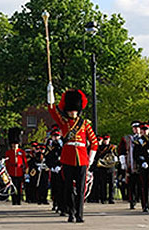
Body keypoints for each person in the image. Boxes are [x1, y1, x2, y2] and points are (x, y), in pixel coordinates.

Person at [47, 84, 98, 223]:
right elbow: (52, 111)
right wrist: (50, 94)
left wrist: (90, 158)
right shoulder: (63, 123)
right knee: (68, 188)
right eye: (70, 111)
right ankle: (71, 212)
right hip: (68, 158)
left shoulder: (85, 124)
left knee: (81, 189)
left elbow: (94, 142)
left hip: (82, 159)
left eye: (74, 111)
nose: (72, 113)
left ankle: (80, 214)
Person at [118, 121, 141, 209]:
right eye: (134, 128)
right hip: (130, 163)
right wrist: (123, 162)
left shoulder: (145, 138)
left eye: (138, 127)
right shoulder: (127, 138)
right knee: (131, 184)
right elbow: (122, 150)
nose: (136, 129)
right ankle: (132, 201)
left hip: (141, 164)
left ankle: (143, 201)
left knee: (142, 184)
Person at [5, 127, 27, 205]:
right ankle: (14, 200)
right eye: (13, 144)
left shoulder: (21, 152)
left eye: (16, 144)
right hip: (11, 171)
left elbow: (25, 162)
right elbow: (7, 163)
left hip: (19, 171)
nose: (14, 146)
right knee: (13, 187)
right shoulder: (8, 152)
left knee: (19, 187)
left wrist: (25, 170)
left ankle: (19, 200)